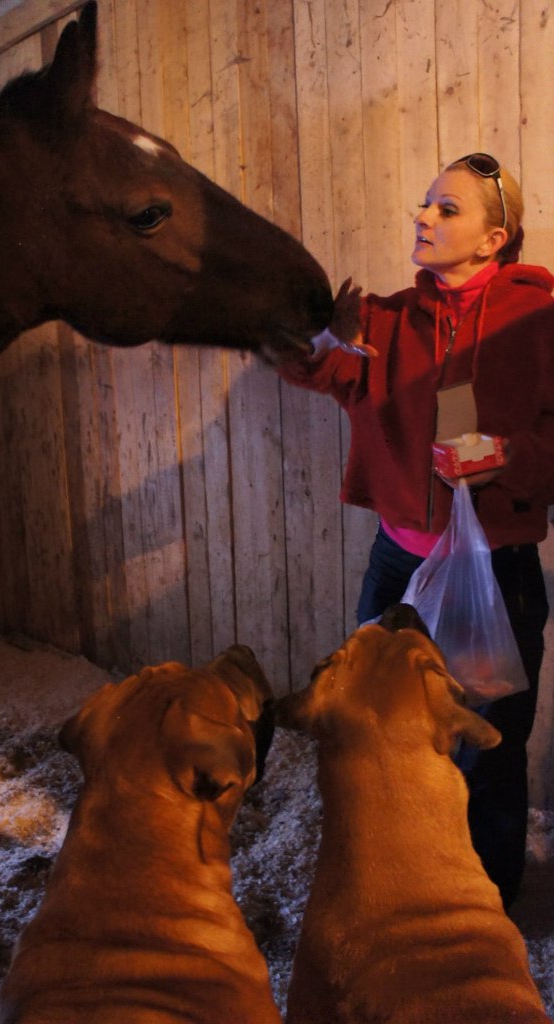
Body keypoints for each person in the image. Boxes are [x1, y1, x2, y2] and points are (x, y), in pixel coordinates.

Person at [279, 153, 554, 909]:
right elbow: (321, 373)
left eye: (446, 209)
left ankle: (483, 900)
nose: (422, 218)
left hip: (498, 570)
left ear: (492, 240)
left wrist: (507, 456)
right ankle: (389, 875)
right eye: (424, 204)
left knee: (486, 743)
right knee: (371, 722)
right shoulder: (386, 318)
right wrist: (307, 339)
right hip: (397, 565)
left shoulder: (539, 316)